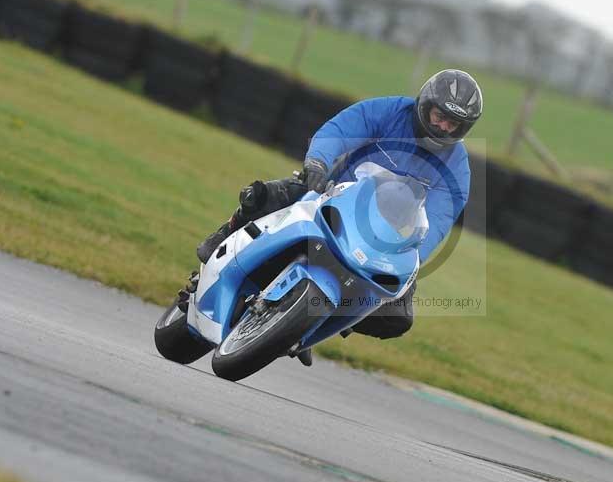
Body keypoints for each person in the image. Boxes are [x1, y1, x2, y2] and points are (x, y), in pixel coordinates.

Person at [195, 69, 483, 350]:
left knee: (397, 318)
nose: (444, 127)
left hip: (385, 243)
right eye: (440, 117)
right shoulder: (390, 111)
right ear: (425, 104)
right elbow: (342, 130)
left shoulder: (457, 168)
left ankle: (312, 323)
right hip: (331, 198)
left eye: (453, 124)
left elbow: (440, 219)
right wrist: (318, 163)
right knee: (261, 196)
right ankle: (225, 236)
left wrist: (415, 258)